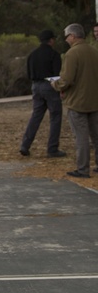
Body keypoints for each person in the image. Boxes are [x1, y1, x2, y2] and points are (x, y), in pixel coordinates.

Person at [54, 23, 98, 178]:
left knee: (81, 137)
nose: (66, 40)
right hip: (94, 101)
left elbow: (66, 80)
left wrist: (55, 84)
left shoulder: (72, 54)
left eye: (67, 37)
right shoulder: (94, 51)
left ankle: (83, 168)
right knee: (96, 135)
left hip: (77, 102)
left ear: (72, 36)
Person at [18, 30, 65, 158]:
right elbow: (56, 75)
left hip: (35, 85)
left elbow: (28, 74)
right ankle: (52, 148)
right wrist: (61, 89)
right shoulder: (54, 55)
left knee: (36, 115)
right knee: (55, 116)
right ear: (51, 40)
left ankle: (25, 145)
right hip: (49, 85)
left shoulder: (32, 55)